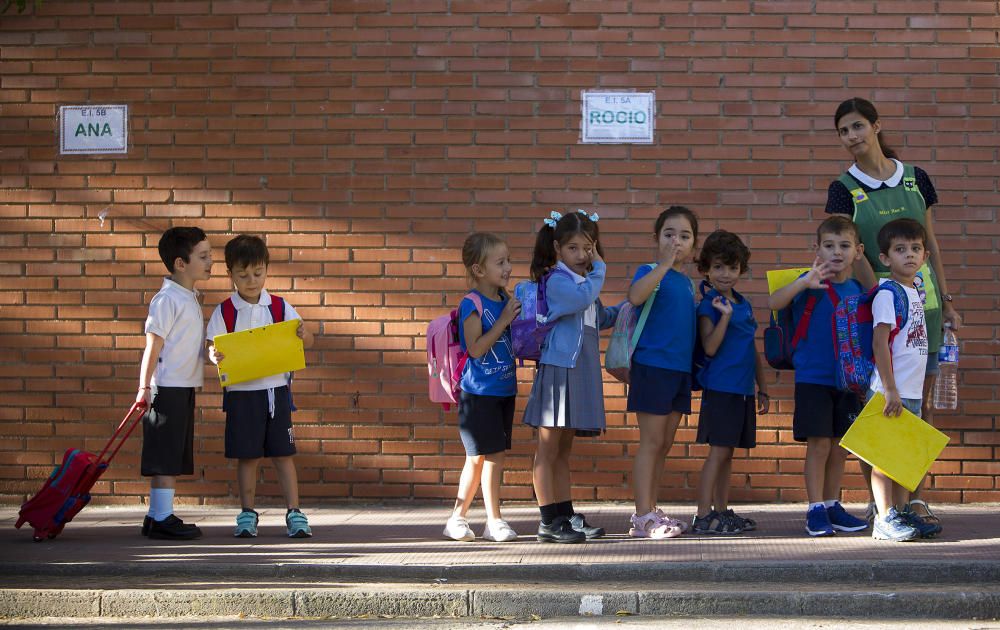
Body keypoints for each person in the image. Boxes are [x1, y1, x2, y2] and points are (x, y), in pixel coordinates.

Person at [825, 97, 961, 525]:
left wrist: (947, 297)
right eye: (844, 131)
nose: (852, 137)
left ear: (877, 126)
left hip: (927, 306)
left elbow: (932, 243)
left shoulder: (917, 178)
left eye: (858, 127)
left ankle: (915, 498)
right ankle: (881, 503)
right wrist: (881, 291)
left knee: (921, 406)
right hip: (880, 305)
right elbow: (847, 245)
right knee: (880, 403)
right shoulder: (842, 187)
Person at [206, 235, 315, 539]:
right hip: (241, 395)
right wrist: (214, 355)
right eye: (243, 275)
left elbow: (308, 339)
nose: (251, 280)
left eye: (257, 273)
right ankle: (247, 513)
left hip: (276, 393)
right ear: (230, 275)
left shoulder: (279, 307)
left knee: (284, 454)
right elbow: (211, 348)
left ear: (267, 269)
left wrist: (304, 333)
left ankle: (294, 512)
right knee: (247, 456)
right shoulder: (225, 312)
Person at [768, 216, 870, 537]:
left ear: (858, 251)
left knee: (840, 447)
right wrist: (803, 283)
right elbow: (774, 303)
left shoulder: (858, 290)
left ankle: (831, 504)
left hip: (848, 381)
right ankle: (814, 509)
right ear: (817, 249)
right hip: (813, 378)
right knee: (819, 445)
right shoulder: (808, 281)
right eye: (829, 245)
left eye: (844, 246)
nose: (836, 252)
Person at [522, 210, 620, 544]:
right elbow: (581, 300)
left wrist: (633, 305)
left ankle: (565, 514)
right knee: (547, 448)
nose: (581, 256)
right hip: (559, 368)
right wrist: (601, 267)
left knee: (563, 449)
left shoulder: (584, 284)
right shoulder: (560, 280)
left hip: (580, 369)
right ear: (557, 249)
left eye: (587, 248)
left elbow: (600, 315)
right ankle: (548, 520)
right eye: (573, 249)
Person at [442, 233, 521, 543]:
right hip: (477, 394)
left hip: (504, 391)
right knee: (486, 457)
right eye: (500, 262)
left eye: (509, 260)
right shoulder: (471, 304)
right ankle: (494, 520)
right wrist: (503, 321)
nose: (508, 268)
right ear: (478, 270)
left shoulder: (506, 299)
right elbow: (475, 349)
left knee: (483, 459)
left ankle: (457, 519)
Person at [867, 218, 943, 541]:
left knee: (902, 459)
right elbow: (879, 343)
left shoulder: (917, 291)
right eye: (900, 250)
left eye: (915, 249)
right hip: (890, 391)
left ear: (925, 256)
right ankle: (883, 519)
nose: (909, 255)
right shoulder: (887, 293)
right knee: (884, 459)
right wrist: (890, 389)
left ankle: (900, 514)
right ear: (885, 258)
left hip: (909, 392)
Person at [625, 206, 698, 539]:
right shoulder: (651, 270)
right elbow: (635, 295)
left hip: (679, 371)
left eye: (684, 236)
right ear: (656, 238)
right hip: (652, 367)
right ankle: (641, 516)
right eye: (669, 234)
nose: (676, 241)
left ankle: (652, 509)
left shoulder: (686, 283)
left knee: (665, 443)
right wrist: (665, 264)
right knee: (651, 442)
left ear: (694, 244)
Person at [136, 226, 213, 540]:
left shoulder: (188, 295)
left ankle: (156, 516)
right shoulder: (166, 299)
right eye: (204, 256)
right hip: (166, 388)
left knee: (170, 454)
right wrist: (144, 389)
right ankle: (163, 517)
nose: (211, 262)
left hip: (182, 387)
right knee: (165, 456)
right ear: (181, 263)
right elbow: (152, 346)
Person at [691, 230, 769, 535]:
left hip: (742, 389)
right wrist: (724, 316)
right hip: (721, 388)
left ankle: (721, 511)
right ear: (706, 269)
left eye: (733, 268)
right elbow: (710, 346)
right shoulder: (709, 305)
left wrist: (762, 386)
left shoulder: (743, 303)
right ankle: (702, 516)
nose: (726, 274)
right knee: (719, 451)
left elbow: (750, 346)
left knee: (729, 452)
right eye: (719, 267)